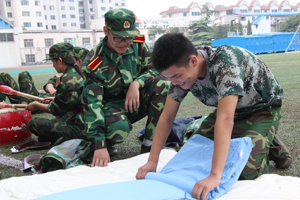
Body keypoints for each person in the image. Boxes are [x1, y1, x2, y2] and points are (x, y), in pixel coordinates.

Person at [136, 33, 291, 200]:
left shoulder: (225, 62)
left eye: (176, 76)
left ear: (193, 61)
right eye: (168, 78)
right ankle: (251, 135)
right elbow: (166, 118)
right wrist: (152, 161)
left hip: (261, 109)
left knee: (244, 169)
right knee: (194, 151)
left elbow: (225, 121)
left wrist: (215, 175)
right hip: (228, 109)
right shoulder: (182, 72)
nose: (174, 83)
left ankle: (272, 143)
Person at [81, 8, 169, 167]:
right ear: (106, 31)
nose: (125, 44)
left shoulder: (138, 43)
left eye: (129, 38)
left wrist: (137, 83)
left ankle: (150, 144)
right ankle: (106, 142)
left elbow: (155, 69)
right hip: (112, 108)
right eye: (118, 38)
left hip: (136, 101)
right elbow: (92, 103)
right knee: (118, 129)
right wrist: (99, 144)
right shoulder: (94, 61)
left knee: (164, 85)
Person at [26, 43, 87, 144]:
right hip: (87, 122)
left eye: (53, 61)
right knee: (58, 120)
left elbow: (56, 110)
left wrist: (36, 105)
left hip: (81, 129)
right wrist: (54, 99)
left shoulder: (68, 78)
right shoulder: (77, 73)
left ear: (60, 60)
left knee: (33, 123)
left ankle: (66, 138)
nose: (53, 65)